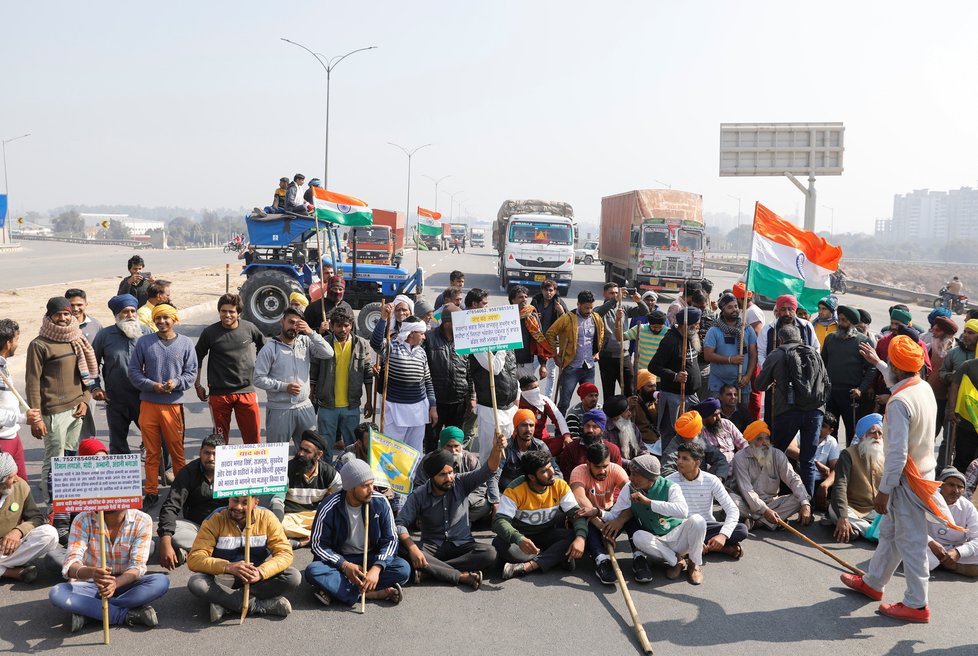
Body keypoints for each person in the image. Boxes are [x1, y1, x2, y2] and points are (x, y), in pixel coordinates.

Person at [839, 336, 954, 623]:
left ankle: (917, 604)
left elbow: (897, 455)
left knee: (911, 542)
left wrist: (884, 491)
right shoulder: (922, 387)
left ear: (896, 367)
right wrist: (877, 363)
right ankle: (874, 582)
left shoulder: (898, 403)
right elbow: (898, 381)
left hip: (905, 481)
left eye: (889, 362)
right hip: (919, 474)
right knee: (890, 533)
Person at [397, 430, 505, 589]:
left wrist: (496, 449)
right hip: (432, 546)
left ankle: (432, 570)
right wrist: (413, 549)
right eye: (443, 475)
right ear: (431, 477)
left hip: (462, 544)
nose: (449, 478)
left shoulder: (461, 482)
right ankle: (459, 575)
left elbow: (488, 470)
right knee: (402, 549)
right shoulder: (419, 495)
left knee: (490, 553)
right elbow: (399, 524)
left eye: (451, 473)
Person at [305, 460, 410, 606]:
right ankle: (371, 594)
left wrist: (377, 568)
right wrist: (344, 565)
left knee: (403, 569)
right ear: (350, 488)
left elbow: (391, 539)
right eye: (365, 486)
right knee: (313, 571)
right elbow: (318, 545)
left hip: (371, 558)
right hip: (341, 561)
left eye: (372, 483)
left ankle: (337, 591)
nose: (371, 489)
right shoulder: (329, 506)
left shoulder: (380, 502)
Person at [51, 507, 168, 632]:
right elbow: (71, 564)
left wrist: (115, 583)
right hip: (93, 584)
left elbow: (137, 567)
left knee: (160, 581)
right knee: (58, 592)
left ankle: (91, 614)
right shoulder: (83, 519)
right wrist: (92, 572)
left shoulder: (142, 519)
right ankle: (126, 615)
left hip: (127, 583)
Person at [26, 297, 95, 504]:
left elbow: (86, 376)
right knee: (55, 459)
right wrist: (36, 418)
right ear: (49, 316)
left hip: (76, 408)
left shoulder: (77, 338)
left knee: (71, 456)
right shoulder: (39, 345)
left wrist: (84, 399)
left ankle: (69, 500)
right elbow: (32, 383)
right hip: (53, 411)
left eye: (67, 314)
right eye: (58, 314)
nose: (63, 318)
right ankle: (52, 505)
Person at [128, 303, 197, 507]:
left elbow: (191, 373)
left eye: (166, 318)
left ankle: (181, 492)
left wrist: (176, 383)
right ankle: (151, 491)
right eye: (158, 318)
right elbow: (134, 371)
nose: (162, 322)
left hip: (173, 405)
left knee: (177, 451)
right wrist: (152, 385)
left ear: (174, 319)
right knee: (151, 452)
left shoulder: (185, 343)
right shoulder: (144, 342)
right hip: (149, 403)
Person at [187, 496, 299, 621]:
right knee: (197, 583)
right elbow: (195, 558)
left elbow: (285, 553)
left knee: (293, 577)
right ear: (229, 499)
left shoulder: (267, 517)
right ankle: (257, 605)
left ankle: (227, 604)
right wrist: (227, 566)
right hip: (222, 579)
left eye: (245, 503)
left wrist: (261, 572)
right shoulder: (215, 518)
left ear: (256, 503)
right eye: (234, 500)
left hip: (254, 579)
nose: (238, 507)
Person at [602, 454, 706, 584]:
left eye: (635, 475)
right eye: (631, 473)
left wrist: (649, 502)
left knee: (698, 521)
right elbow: (613, 515)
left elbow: (683, 511)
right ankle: (676, 562)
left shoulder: (671, 487)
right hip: (657, 542)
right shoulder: (629, 488)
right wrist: (597, 512)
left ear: (649, 478)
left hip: (679, 537)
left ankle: (694, 565)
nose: (630, 478)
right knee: (638, 537)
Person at [754, 324, 828, 496]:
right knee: (807, 460)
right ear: (800, 338)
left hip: (787, 411)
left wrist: (776, 379)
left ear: (781, 339)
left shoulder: (777, 355)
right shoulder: (813, 353)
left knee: (775, 455)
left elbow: (759, 385)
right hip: (815, 411)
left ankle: (771, 497)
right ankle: (806, 504)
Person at [493, 449, 588, 579]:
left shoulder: (560, 485)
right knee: (500, 544)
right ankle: (555, 557)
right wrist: (518, 539)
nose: (551, 473)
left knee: (574, 536)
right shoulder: (514, 490)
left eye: (550, 467)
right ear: (532, 477)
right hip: (523, 539)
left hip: (547, 534)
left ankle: (527, 566)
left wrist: (581, 538)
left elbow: (577, 514)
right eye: (544, 471)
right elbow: (499, 521)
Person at [255, 307, 333, 447]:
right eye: (291, 322)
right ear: (282, 322)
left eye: (298, 323)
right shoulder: (269, 348)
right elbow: (258, 379)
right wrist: (284, 387)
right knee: (277, 456)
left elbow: (328, 353)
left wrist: (311, 332)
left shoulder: (305, 342)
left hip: (305, 407)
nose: (294, 327)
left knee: (310, 453)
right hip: (280, 409)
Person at [194, 293, 265, 445]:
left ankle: (252, 467)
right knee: (220, 443)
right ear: (219, 311)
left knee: (253, 439)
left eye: (231, 312)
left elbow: (263, 346)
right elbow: (197, 357)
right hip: (219, 394)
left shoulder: (249, 328)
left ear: (239, 313)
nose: (227, 315)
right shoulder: (209, 333)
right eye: (223, 311)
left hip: (246, 391)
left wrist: (260, 367)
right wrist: (197, 384)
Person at [370, 306, 435, 454]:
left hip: (418, 410)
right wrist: (383, 319)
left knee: (414, 452)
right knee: (392, 451)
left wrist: (433, 405)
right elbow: (375, 343)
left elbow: (427, 380)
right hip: (395, 409)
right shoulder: (392, 347)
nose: (424, 337)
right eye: (421, 334)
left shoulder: (421, 352)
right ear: (411, 333)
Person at [91, 295, 151, 455]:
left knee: (154, 438)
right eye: (125, 312)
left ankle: (163, 471)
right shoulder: (104, 335)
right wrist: (95, 387)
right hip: (116, 398)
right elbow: (91, 364)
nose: (130, 315)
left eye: (133, 311)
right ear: (117, 315)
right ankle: (122, 479)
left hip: (144, 397)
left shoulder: (147, 332)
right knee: (118, 442)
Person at [311, 307, 374, 459]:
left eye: (346, 325)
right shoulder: (323, 344)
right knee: (324, 449)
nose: (343, 329)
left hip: (351, 406)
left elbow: (368, 375)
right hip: (327, 406)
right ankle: (326, 479)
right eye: (339, 325)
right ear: (332, 326)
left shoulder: (362, 344)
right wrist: (311, 395)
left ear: (351, 325)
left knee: (353, 448)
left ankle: (351, 479)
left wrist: (369, 402)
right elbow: (313, 372)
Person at [157, 434, 226, 570]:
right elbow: (170, 507)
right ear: (200, 452)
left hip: (227, 529)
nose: (211, 458)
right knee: (173, 530)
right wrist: (165, 543)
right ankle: (219, 551)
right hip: (197, 529)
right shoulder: (188, 473)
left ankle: (196, 553)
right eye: (207, 453)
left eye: (215, 454)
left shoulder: (234, 471)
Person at [667, 440, 747, 560]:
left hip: (706, 527)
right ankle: (719, 549)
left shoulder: (711, 480)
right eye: (678, 457)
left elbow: (732, 510)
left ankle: (694, 549)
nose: (679, 462)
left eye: (684, 458)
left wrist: (723, 536)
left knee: (741, 530)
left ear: (697, 463)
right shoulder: (669, 481)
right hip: (682, 529)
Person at [569, 442, 631, 584]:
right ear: (588, 463)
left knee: (633, 515)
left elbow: (633, 497)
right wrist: (602, 528)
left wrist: (619, 521)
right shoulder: (578, 471)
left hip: (609, 513)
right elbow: (579, 498)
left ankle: (640, 557)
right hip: (590, 513)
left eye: (605, 466)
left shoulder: (616, 470)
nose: (603, 471)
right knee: (583, 517)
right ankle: (601, 561)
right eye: (598, 467)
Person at [732, 421, 812, 530]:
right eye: (759, 439)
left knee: (801, 498)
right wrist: (765, 511)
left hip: (772, 502)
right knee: (732, 500)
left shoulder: (777, 455)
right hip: (747, 503)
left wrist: (805, 504)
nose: (765, 443)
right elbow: (746, 490)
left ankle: (757, 522)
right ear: (750, 442)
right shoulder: (740, 458)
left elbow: (793, 479)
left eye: (767, 438)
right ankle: (770, 520)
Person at [821, 305, 876, 445]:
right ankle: (832, 461)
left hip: (851, 395)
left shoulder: (863, 341)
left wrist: (861, 389)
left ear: (852, 322)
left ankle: (850, 463)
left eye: (844, 320)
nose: (840, 323)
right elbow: (822, 364)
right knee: (829, 431)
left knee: (852, 433)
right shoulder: (830, 339)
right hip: (831, 393)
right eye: (839, 320)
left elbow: (872, 368)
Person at [649, 306, 702, 450]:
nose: (698, 326)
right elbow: (653, 366)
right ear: (686, 324)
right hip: (674, 398)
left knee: (691, 435)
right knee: (671, 435)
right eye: (695, 323)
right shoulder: (670, 341)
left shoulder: (692, 336)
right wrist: (675, 376)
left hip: (691, 396)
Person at [277, 430, 342, 547]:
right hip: (292, 517)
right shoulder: (287, 470)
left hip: (317, 516)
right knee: (280, 525)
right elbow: (277, 501)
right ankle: (319, 537)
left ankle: (309, 539)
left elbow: (343, 497)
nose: (301, 454)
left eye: (306, 451)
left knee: (341, 522)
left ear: (318, 455)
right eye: (300, 449)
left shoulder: (329, 473)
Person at [414, 426, 492, 523]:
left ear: (461, 446)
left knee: (484, 506)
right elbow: (419, 486)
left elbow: (480, 489)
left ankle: (446, 523)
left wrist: (461, 503)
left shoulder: (471, 460)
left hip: (462, 503)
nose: (453, 450)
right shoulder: (429, 460)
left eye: (456, 446)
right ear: (442, 446)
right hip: (436, 504)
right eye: (449, 446)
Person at [0, 453, 58, 582]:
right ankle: (10, 572)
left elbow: (36, 517)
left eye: (15, 473)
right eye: (10, 477)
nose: (16, 479)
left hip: (11, 547)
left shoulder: (20, 486)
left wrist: (17, 532)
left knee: (50, 533)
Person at [546, 290, 604, 416]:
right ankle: (559, 430)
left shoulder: (596, 318)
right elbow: (550, 334)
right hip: (571, 367)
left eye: (591, 307)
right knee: (564, 402)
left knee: (591, 402)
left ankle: (587, 427)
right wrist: (555, 355)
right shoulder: (567, 318)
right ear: (578, 304)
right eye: (586, 307)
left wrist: (597, 351)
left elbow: (601, 333)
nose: (589, 310)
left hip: (589, 366)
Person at [423, 304, 469, 453]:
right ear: (448, 323)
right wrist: (430, 403)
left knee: (454, 444)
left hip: (459, 402)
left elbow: (469, 369)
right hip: (436, 402)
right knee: (431, 442)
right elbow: (423, 371)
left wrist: (472, 396)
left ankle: (453, 473)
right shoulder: (429, 338)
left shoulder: (464, 338)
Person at [0, 319, 43, 480]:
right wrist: (23, 418)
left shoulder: (3, 365)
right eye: (17, 339)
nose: (18, 344)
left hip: (12, 436)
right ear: (8, 343)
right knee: (7, 487)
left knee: (21, 487)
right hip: (2, 441)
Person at [830, 418, 884, 543]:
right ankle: (875, 534)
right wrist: (843, 517)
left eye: (880, 433)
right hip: (852, 507)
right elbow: (840, 486)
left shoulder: (884, 455)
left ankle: (857, 530)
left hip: (876, 509)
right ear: (863, 434)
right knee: (835, 511)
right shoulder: (848, 454)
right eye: (873, 432)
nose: (877, 436)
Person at [703, 292, 757, 415]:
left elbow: (753, 355)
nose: (734, 310)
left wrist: (747, 377)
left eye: (736, 306)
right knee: (716, 416)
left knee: (741, 417)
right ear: (723, 310)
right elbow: (708, 355)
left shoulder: (747, 329)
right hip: (718, 384)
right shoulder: (714, 330)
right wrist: (730, 359)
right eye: (730, 307)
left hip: (741, 383)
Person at [594, 283, 648, 398]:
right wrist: (614, 301)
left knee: (630, 390)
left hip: (624, 356)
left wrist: (639, 301)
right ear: (604, 294)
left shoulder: (624, 308)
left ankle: (628, 414)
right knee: (609, 392)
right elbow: (598, 314)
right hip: (607, 357)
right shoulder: (599, 310)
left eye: (616, 293)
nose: (614, 295)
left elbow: (644, 312)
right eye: (611, 293)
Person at [469, 342, 517, 463]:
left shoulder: (510, 344)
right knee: (489, 452)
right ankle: (486, 480)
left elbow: (513, 371)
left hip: (509, 407)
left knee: (508, 449)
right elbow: (494, 368)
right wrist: (503, 346)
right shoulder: (478, 346)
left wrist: (517, 396)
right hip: (490, 409)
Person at [926, 467, 978, 577]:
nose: (956, 490)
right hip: (928, 547)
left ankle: (951, 565)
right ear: (940, 485)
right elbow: (912, 527)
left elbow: (976, 538)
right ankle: (950, 565)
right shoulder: (926, 500)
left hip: (954, 550)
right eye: (951, 485)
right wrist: (931, 543)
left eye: (960, 487)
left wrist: (958, 552)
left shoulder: (967, 507)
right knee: (910, 546)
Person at [498, 410, 562, 497]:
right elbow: (493, 476)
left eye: (531, 425)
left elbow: (556, 472)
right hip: (508, 495)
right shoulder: (505, 448)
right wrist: (496, 501)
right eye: (524, 425)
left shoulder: (540, 446)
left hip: (534, 495)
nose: (528, 429)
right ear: (516, 428)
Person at [787, 412, 841, 510]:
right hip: (801, 478)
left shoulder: (831, 441)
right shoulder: (801, 434)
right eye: (819, 423)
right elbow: (790, 449)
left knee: (842, 480)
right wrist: (815, 462)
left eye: (823, 426)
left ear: (830, 431)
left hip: (820, 481)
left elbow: (837, 468)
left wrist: (825, 485)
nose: (819, 426)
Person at [660, 410, 729, 480]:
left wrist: (718, 479)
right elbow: (667, 474)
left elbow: (720, 459)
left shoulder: (698, 440)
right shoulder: (672, 450)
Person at [756, 294, 819, 367]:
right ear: (778, 311)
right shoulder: (768, 329)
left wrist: (811, 367)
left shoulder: (806, 327)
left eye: (790, 309)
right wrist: (769, 371)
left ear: (795, 310)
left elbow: (816, 348)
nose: (787, 313)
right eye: (783, 309)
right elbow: (761, 354)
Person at [531, 279, 568, 398]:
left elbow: (568, 322)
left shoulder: (559, 303)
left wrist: (561, 312)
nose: (548, 293)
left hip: (553, 343)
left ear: (555, 291)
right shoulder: (536, 301)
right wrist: (535, 316)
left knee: (551, 374)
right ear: (542, 290)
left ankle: (548, 398)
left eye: (551, 290)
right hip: (537, 342)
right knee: (530, 370)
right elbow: (528, 316)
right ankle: (529, 395)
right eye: (546, 290)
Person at [517, 374, 571, 456]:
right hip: (523, 442)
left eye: (537, 387)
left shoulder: (544, 401)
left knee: (564, 442)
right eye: (533, 388)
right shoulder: (516, 404)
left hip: (544, 442)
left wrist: (566, 436)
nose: (537, 390)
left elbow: (558, 418)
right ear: (523, 390)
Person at [559, 408, 622, 476]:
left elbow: (618, 478)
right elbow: (566, 477)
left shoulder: (613, 450)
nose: (590, 430)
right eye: (587, 426)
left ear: (602, 430)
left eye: (595, 427)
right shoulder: (571, 449)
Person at [694, 397, 748, 465]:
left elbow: (742, 442)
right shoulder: (699, 432)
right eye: (714, 415)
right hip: (714, 469)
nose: (718, 418)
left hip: (735, 465)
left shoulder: (726, 423)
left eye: (719, 413)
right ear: (704, 418)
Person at [624, 310, 667, 390]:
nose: (657, 330)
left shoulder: (668, 332)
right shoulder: (640, 328)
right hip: (643, 376)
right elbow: (620, 337)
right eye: (654, 327)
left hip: (660, 377)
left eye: (659, 327)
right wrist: (618, 320)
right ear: (649, 324)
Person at [602, 394, 647, 466]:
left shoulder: (632, 427)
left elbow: (641, 448)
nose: (630, 414)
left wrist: (646, 458)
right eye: (626, 411)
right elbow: (610, 457)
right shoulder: (604, 431)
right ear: (616, 417)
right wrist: (631, 464)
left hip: (635, 467)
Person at [628, 369, 659, 448]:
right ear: (640, 388)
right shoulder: (632, 403)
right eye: (650, 386)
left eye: (655, 385)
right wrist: (628, 406)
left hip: (657, 440)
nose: (654, 389)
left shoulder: (655, 402)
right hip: (641, 443)